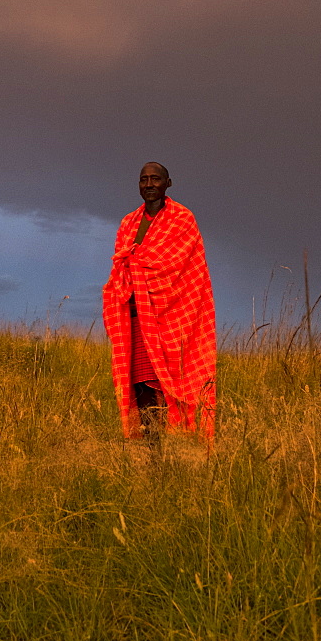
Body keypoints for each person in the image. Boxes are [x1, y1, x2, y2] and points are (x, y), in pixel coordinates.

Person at [102, 163, 216, 442]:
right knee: (140, 383)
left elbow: (176, 267)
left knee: (166, 385)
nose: (149, 184)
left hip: (173, 317)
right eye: (143, 179)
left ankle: (173, 442)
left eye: (155, 179)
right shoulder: (128, 222)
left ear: (168, 183)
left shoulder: (182, 219)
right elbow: (120, 269)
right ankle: (151, 447)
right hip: (134, 319)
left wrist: (136, 266)